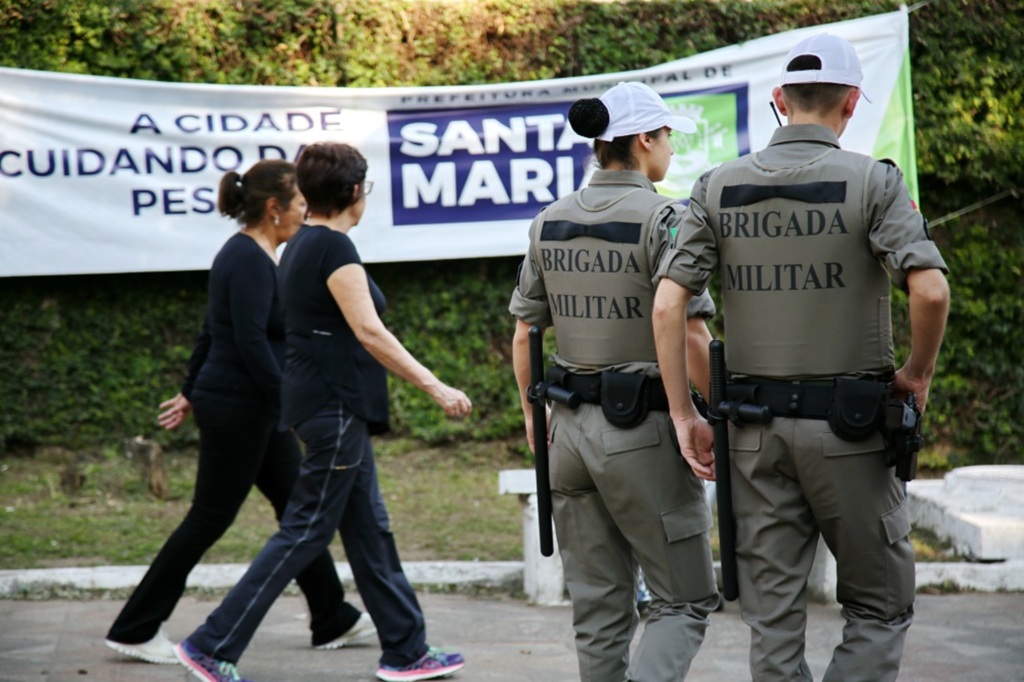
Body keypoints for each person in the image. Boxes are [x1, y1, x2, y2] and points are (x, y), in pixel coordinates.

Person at [652, 33, 950, 682]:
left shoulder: (716, 186)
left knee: (772, 622)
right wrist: (917, 377)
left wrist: (684, 415)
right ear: (850, 105)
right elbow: (930, 289)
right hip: (852, 434)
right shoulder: (874, 182)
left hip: (754, 439)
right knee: (879, 606)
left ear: (779, 100)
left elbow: (668, 309)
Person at [174, 141, 472, 682]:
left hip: (332, 408)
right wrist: (437, 387)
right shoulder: (332, 250)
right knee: (305, 530)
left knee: (369, 529)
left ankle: (406, 651)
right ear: (355, 192)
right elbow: (369, 331)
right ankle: (211, 642)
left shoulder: (303, 244)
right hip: (333, 409)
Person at [104, 160, 374, 665]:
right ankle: (136, 626)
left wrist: (190, 390)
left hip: (243, 402)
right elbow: (248, 341)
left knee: (297, 504)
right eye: (298, 204)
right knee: (209, 517)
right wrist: (288, 398)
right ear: (274, 209)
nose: (304, 211)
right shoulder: (248, 258)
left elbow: (213, 330)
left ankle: (331, 616)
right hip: (240, 408)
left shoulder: (253, 255)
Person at [509, 81, 721, 682]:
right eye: (667, 136)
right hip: (642, 436)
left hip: (566, 437)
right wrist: (705, 417)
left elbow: (525, 333)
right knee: (683, 601)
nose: (673, 149)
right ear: (643, 140)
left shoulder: (549, 220)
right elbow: (687, 333)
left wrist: (534, 422)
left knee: (599, 612)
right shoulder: (665, 218)